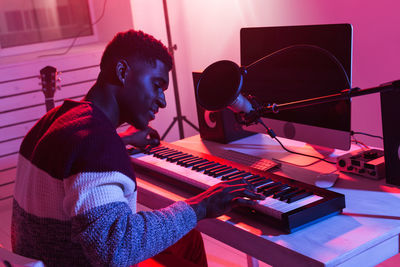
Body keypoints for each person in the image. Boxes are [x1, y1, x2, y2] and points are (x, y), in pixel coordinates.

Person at [11, 29, 265, 267]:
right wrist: (201, 205)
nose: (163, 101)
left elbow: (75, 155)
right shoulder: (96, 141)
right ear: (122, 72)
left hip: (49, 255)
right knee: (187, 224)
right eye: (157, 85)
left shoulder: (56, 121)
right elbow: (113, 249)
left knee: (188, 240)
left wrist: (123, 140)